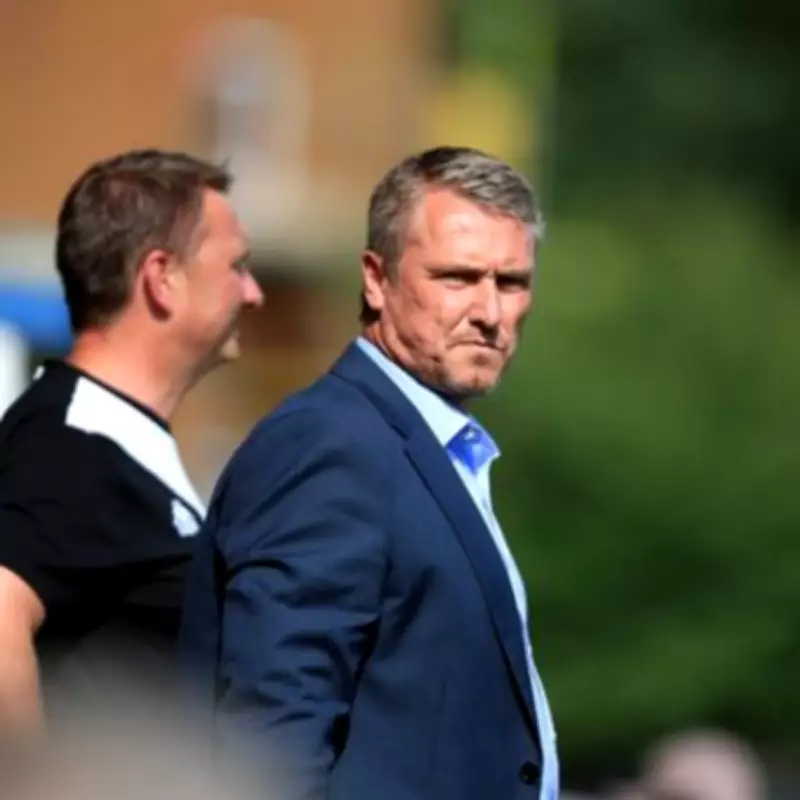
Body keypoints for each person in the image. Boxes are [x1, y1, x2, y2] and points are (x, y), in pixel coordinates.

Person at [179, 145, 558, 800]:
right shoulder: (329, 446)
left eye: (511, 283)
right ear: (376, 279)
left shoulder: (427, 447)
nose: (490, 313)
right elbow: (273, 742)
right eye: (457, 277)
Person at [0, 149, 263, 737]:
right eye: (237, 266)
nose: (254, 293)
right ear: (161, 277)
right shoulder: (69, 444)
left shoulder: (110, 437)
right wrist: (32, 780)